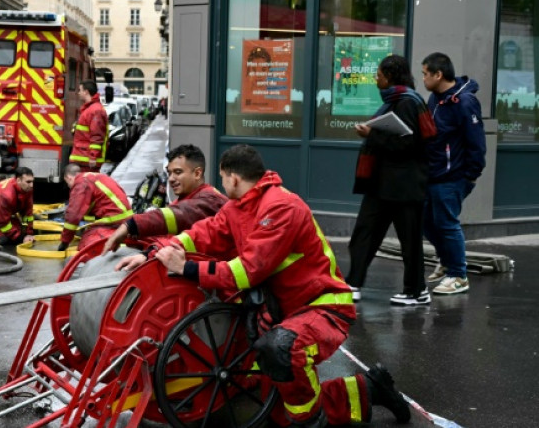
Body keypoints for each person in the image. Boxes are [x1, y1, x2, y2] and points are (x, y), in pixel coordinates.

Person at [123, 145, 410, 427]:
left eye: (222, 178)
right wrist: (157, 253)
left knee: (282, 349)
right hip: (285, 313)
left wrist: (186, 268)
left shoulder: (282, 207)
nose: (222, 185)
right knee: (277, 410)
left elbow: (246, 272)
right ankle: (369, 390)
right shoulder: (238, 207)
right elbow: (203, 233)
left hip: (321, 306)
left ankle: (310, 422)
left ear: (234, 178)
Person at [346, 55, 432, 305]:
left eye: (379, 75)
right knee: (364, 233)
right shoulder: (395, 102)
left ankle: (416, 291)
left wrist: (372, 134)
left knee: (409, 241)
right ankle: (353, 283)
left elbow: (409, 144)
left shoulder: (407, 103)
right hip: (382, 184)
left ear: (391, 77)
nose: (376, 79)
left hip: (404, 186)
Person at [421, 52, 486, 295]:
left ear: (438, 75)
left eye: (425, 74)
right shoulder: (435, 99)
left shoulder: (465, 102)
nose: (423, 79)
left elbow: (476, 142)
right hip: (432, 173)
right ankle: (447, 260)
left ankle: (458, 275)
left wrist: (471, 175)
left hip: (453, 176)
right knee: (426, 222)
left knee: (447, 224)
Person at [102, 144, 226, 261]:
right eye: (169, 173)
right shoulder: (186, 199)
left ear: (197, 173)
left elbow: (177, 215)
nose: (171, 179)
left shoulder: (211, 200)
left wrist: (132, 225)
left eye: (178, 172)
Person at [58, 163, 132, 253]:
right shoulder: (92, 177)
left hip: (114, 221)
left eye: (67, 183)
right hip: (126, 221)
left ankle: (116, 248)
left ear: (68, 177)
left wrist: (64, 242)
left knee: (86, 244)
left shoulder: (81, 183)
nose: (69, 187)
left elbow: (73, 217)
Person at [69, 80, 108, 172]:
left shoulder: (95, 110)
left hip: (87, 160)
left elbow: (97, 136)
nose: (78, 93)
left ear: (86, 92)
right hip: (83, 158)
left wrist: (93, 156)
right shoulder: (90, 109)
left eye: (80, 90)